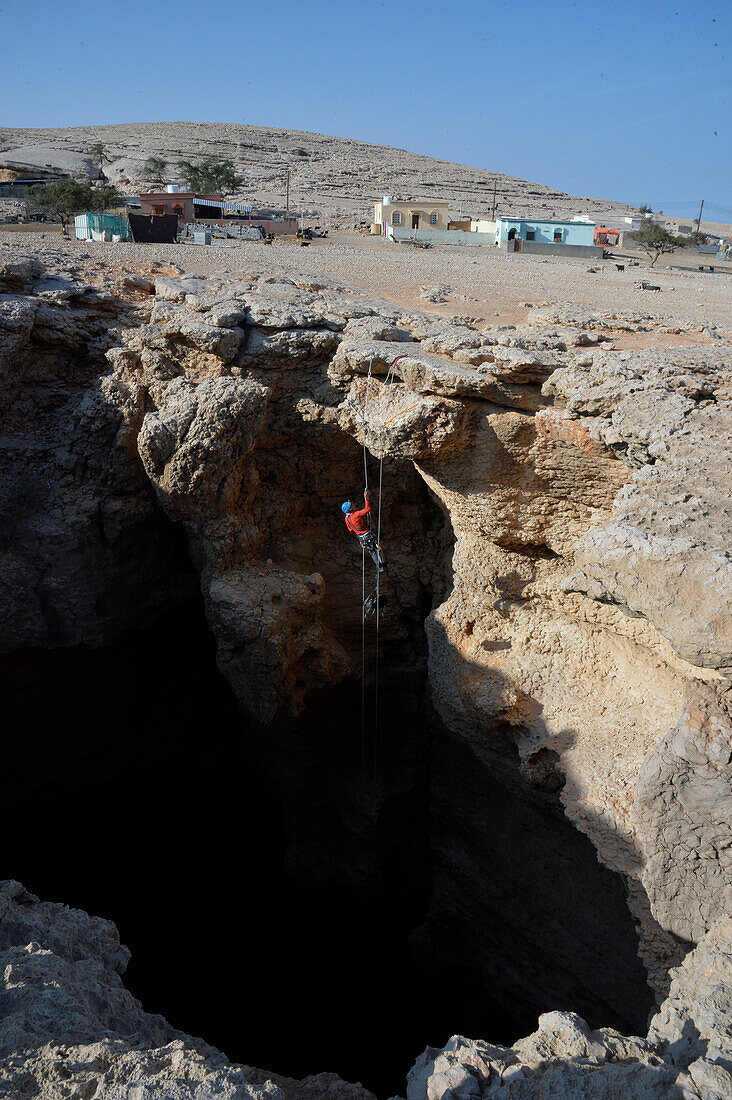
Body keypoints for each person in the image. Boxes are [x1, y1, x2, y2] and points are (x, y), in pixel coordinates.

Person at [341, 491, 385, 572]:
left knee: (372, 552)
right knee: (377, 549)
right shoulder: (356, 515)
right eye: (352, 505)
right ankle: (382, 564)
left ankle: (379, 566)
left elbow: (350, 529)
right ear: (351, 509)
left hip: (361, 538)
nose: (354, 505)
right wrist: (366, 499)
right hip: (367, 535)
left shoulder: (347, 518)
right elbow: (367, 509)